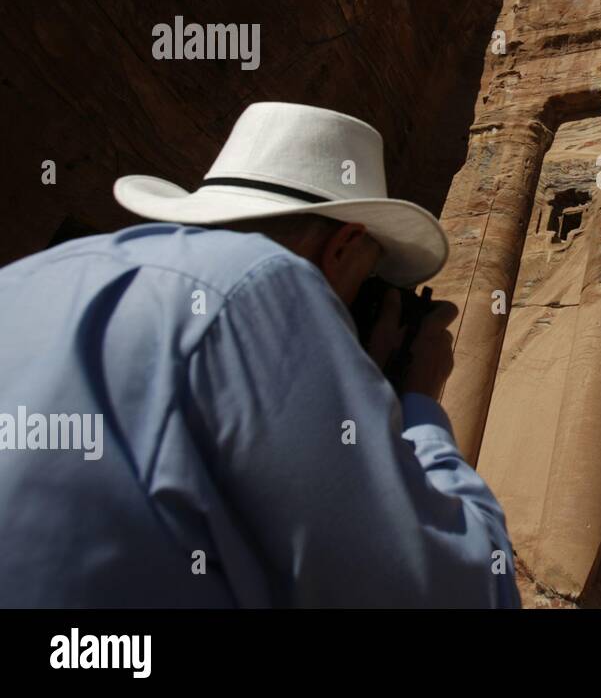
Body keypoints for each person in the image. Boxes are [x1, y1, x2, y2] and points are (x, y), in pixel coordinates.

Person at [0, 101, 520, 607]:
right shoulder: (269, 285)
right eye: (368, 276)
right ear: (340, 247)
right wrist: (421, 402)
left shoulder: (32, 276)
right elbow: (458, 589)